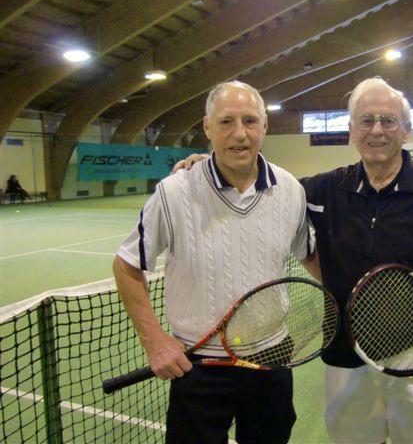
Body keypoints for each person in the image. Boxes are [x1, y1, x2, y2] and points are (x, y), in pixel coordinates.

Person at [174, 77, 413, 443]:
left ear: (406, 130)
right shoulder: (322, 190)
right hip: (343, 358)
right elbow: (263, 181)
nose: (377, 130)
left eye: (388, 121)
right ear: (352, 130)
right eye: (366, 121)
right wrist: (208, 166)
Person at [113, 80, 315, 444]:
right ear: (207, 127)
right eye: (226, 122)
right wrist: (156, 342)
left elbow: (309, 253)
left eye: (250, 121)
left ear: (264, 126)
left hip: (272, 357)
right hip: (200, 365)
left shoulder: (290, 190)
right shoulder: (174, 192)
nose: (240, 134)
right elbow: (127, 264)